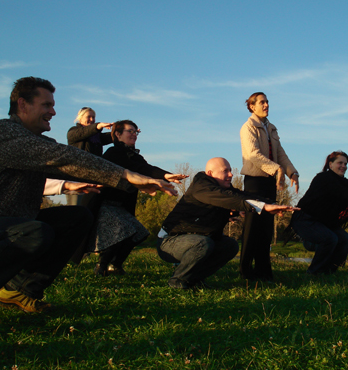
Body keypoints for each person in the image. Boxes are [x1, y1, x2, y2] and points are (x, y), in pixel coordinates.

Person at [0, 77, 176, 320]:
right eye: (46, 105)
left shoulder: (36, 141)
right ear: (22, 104)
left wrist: (132, 181)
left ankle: (19, 290)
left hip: (9, 224)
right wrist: (126, 174)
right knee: (33, 231)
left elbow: (72, 166)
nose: (53, 112)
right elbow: (63, 156)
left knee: (77, 217)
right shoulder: (2, 132)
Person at [157, 157, 299, 289]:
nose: (231, 174)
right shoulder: (201, 187)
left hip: (195, 239)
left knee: (229, 245)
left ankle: (194, 278)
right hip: (169, 241)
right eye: (225, 171)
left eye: (230, 170)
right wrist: (262, 207)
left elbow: (240, 195)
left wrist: (270, 204)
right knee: (203, 244)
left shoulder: (222, 188)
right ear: (210, 173)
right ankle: (178, 280)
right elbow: (226, 199)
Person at [88, 120, 187, 276]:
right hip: (106, 204)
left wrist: (166, 175)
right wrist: (161, 177)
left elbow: (146, 168)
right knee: (122, 231)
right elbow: (137, 169)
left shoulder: (134, 155)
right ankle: (101, 266)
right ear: (118, 134)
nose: (134, 135)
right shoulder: (113, 153)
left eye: (136, 132)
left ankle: (115, 265)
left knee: (139, 233)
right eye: (130, 131)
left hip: (122, 206)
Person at [239, 92, 299, 281]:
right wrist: (276, 169)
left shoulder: (271, 127)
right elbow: (253, 154)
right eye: (262, 102)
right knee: (252, 227)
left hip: (269, 181)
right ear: (252, 106)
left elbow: (280, 153)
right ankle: (245, 271)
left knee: (265, 228)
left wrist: (291, 172)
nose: (266, 105)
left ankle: (264, 272)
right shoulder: (248, 127)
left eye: (267, 102)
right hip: (254, 181)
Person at [66, 107, 113, 206]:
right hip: (77, 179)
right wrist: (98, 126)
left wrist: (126, 131)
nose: (91, 119)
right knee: (76, 208)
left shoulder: (97, 137)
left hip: (94, 178)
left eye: (93, 117)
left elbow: (113, 136)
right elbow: (84, 132)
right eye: (89, 117)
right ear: (80, 118)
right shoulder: (73, 132)